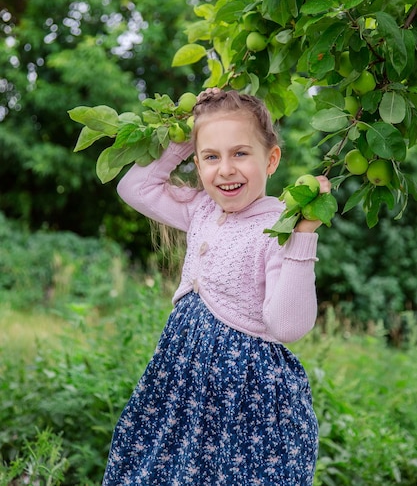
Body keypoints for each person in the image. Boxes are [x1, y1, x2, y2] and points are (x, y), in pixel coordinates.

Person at [102, 88, 331, 486]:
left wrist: (303, 235)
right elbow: (133, 188)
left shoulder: (279, 224)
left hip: (242, 393)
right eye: (211, 156)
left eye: (240, 153)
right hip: (181, 381)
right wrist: (183, 133)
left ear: (271, 159)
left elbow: (287, 326)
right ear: (197, 161)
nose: (225, 169)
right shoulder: (201, 209)